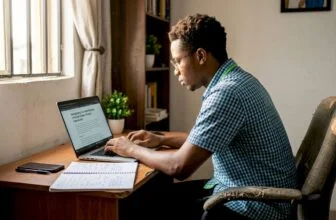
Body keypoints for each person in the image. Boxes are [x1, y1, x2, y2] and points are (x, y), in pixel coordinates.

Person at [105, 14, 297, 220]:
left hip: (255, 206)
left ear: (201, 56)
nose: (176, 71)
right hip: (244, 191)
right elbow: (202, 141)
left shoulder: (226, 93)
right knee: (151, 199)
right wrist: (161, 139)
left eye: (178, 61)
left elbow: (179, 166)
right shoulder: (238, 80)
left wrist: (131, 149)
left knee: (145, 206)